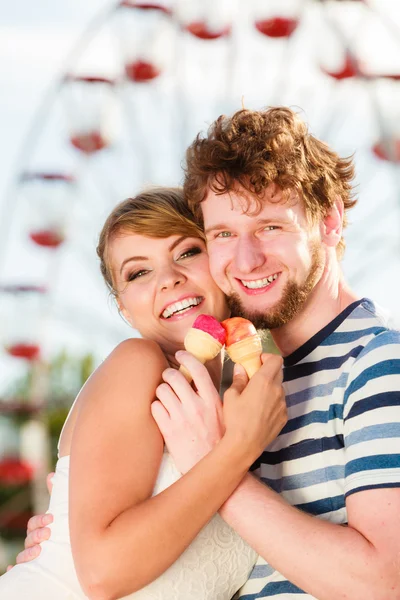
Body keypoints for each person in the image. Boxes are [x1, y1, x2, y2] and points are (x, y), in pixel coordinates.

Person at [15, 105, 400, 598]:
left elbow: (383, 583)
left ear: (328, 223)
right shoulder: (231, 383)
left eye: (270, 227)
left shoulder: (375, 362)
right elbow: (104, 565)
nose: (246, 258)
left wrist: (215, 461)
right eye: (222, 235)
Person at [0, 187, 286, 599]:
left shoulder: (252, 406)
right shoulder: (137, 365)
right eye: (138, 272)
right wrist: (238, 449)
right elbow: (101, 574)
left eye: (187, 252)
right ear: (124, 308)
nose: (169, 278)